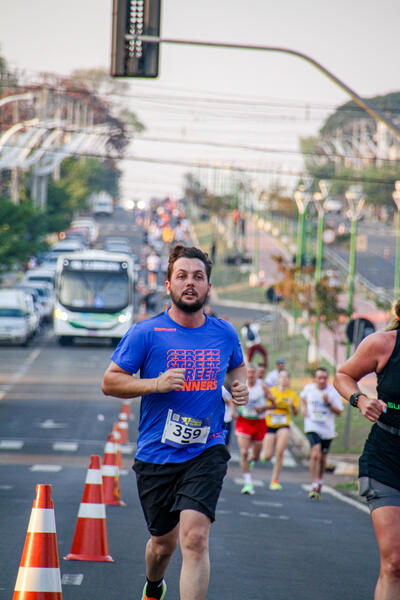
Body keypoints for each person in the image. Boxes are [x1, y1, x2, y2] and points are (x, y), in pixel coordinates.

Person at [102, 244, 248, 600]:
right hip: (157, 453)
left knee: (195, 538)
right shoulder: (146, 333)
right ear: (167, 284)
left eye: (198, 277)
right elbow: (110, 381)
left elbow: (236, 367)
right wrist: (154, 383)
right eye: (182, 276)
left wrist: (238, 387)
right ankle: (154, 586)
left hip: (207, 448)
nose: (190, 283)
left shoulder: (224, 332)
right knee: (162, 546)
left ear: (208, 286)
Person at [334, 304, 400, 600]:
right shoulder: (383, 344)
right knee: (395, 563)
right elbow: (343, 376)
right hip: (386, 459)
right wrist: (360, 400)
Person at [299, 367, 343, 499]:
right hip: (312, 426)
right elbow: (302, 398)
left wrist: (328, 403)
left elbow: (339, 412)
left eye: (324, 378)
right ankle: (313, 483)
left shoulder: (332, 392)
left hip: (327, 429)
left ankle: (320, 481)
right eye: (319, 377)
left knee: (323, 458)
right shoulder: (309, 389)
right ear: (315, 379)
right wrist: (303, 409)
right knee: (315, 453)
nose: (322, 380)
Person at [235, 363, 276, 495]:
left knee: (255, 456)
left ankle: (252, 460)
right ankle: (247, 482)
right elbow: (230, 396)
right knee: (244, 452)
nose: (251, 375)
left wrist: (263, 408)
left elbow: (274, 404)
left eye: (253, 372)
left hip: (259, 422)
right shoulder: (241, 384)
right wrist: (234, 408)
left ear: (257, 374)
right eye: (249, 372)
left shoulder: (262, 386)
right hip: (244, 421)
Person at [262, 370, 299, 490]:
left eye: (286, 377)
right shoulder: (271, 392)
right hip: (270, 425)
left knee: (280, 451)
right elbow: (264, 407)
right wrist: (270, 409)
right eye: (281, 377)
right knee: (267, 456)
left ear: (289, 380)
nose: (284, 380)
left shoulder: (292, 395)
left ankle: (274, 480)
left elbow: (296, 412)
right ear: (278, 380)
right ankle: (264, 456)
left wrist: (293, 406)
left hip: (283, 425)